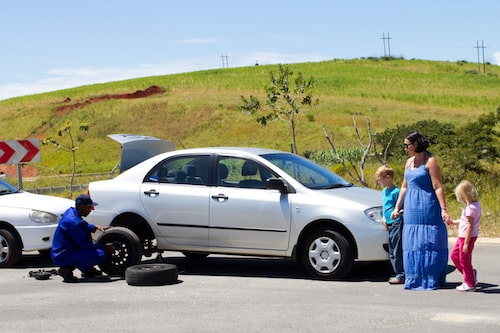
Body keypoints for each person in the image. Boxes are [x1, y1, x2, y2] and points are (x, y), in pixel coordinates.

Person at [391, 132, 450, 290]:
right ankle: (415, 278)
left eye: (407, 145)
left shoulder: (430, 162)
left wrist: (444, 209)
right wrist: (397, 207)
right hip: (411, 208)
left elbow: (438, 187)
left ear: (416, 144)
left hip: (427, 205)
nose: (405, 148)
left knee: (427, 241)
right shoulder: (409, 162)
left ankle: (430, 278)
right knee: (413, 243)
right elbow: (404, 186)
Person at [51, 194, 113, 283]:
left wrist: (94, 227)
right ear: (81, 206)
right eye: (89, 207)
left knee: (91, 249)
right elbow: (85, 246)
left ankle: (87, 269)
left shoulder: (71, 212)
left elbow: (82, 224)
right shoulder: (74, 223)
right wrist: (104, 247)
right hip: (63, 255)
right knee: (101, 254)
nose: (91, 210)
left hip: (63, 251)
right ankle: (66, 269)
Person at [447, 180, 482, 292]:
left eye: (461, 197)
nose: (460, 199)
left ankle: (470, 283)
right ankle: (470, 275)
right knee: (454, 256)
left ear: (466, 195)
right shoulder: (473, 206)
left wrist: (466, 243)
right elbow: (464, 221)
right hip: (462, 237)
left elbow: (470, 226)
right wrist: (453, 222)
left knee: (464, 260)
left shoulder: (471, 209)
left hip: (466, 237)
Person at [375, 165, 404, 284]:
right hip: (388, 223)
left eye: (379, 179)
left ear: (387, 177)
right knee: (391, 250)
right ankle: (397, 272)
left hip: (396, 222)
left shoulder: (396, 192)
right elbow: (385, 206)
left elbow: (402, 207)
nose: (379, 181)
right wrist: (383, 218)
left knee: (397, 249)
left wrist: (398, 212)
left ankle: (401, 274)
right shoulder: (384, 191)